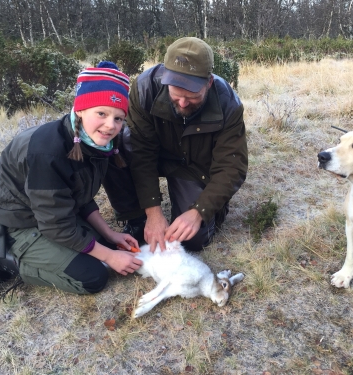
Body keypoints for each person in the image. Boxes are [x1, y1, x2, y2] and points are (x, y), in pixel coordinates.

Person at [0, 62, 143, 300]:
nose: (111, 125)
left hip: (45, 213)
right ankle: (1, 255)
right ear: (80, 110)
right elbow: (56, 226)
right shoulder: (48, 151)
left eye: (118, 118)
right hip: (14, 220)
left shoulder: (98, 143)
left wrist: (109, 235)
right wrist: (109, 256)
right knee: (92, 275)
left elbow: (79, 197)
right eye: (102, 113)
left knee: (98, 244)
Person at [104, 37, 248, 252]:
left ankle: (212, 209)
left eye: (192, 96)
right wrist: (152, 212)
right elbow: (141, 152)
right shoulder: (145, 88)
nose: (182, 103)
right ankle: (135, 218)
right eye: (176, 94)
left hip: (195, 167)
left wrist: (199, 211)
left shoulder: (228, 103)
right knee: (115, 144)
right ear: (165, 78)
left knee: (192, 239)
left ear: (208, 83)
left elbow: (231, 166)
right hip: (158, 154)